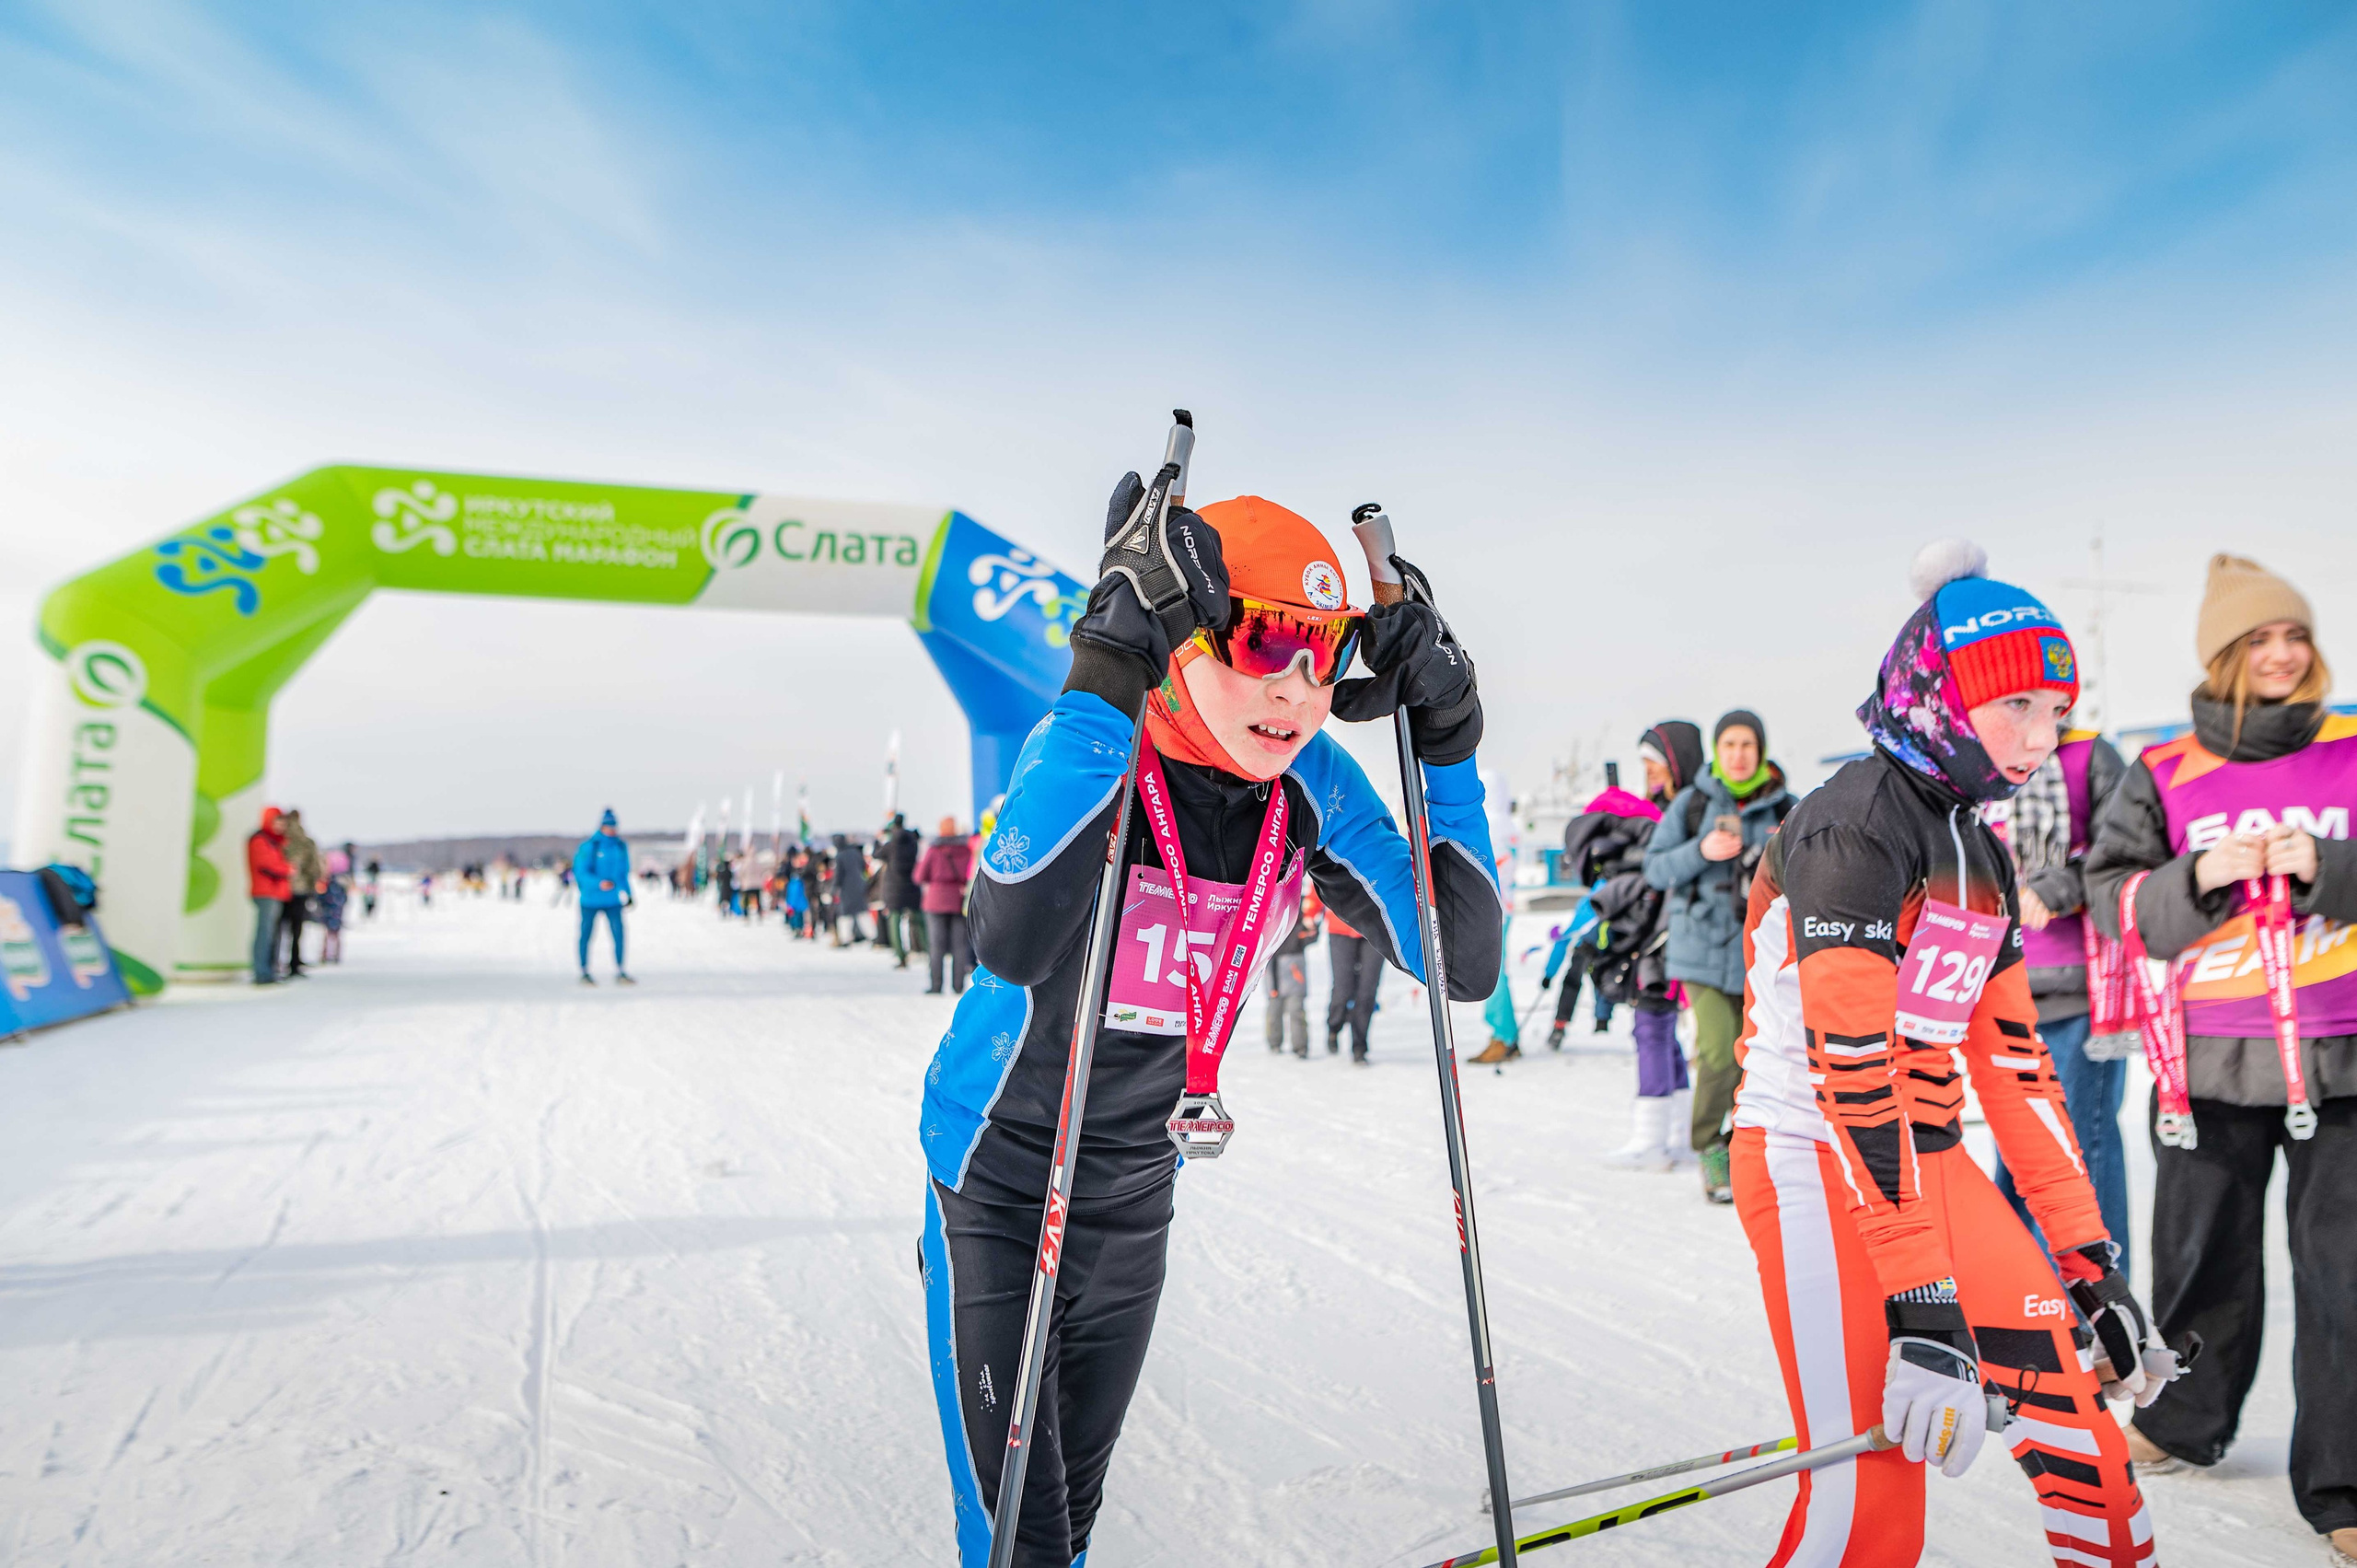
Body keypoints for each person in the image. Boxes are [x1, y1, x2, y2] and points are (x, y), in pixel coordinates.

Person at [918, 483, 1496, 1566]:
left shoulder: (1309, 783)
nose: (1294, 685)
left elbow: (1459, 958)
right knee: (1020, 1543)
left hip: (1137, 1194)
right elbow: (1010, 935)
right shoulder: (1098, 738)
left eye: (1326, 651)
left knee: (1070, 1524)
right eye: (1268, 635)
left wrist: (1451, 741)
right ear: (1186, 632)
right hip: (999, 1187)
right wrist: (1104, 668)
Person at [1734, 541, 2177, 1567]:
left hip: (1925, 1162)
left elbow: (2016, 1067)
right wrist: (1921, 1300)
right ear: (1937, 695)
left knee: (2089, 1457)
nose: (2041, 736)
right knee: (1872, 1511)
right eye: (2015, 705)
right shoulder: (1850, 827)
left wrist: (2091, 1263)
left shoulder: (1977, 846)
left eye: (2056, 711)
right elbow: (1850, 1071)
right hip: (1812, 1157)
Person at [2084, 553, 2357, 1557]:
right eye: (2259, 639)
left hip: (2341, 1055)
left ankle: (2343, 1487)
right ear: (2221, 657)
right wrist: (2196, 870)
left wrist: (2327, 867)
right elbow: (2111, 897)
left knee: (2344, 1276)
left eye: (2294, 635)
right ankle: (2179, 1420)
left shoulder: (2352, 749)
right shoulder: (2163, 773)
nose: (2283, 654)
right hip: (2203, 1061)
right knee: (2201, 1257)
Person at [1984, 722, 2133, 1273]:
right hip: (1996, 989)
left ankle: (2096, 1310)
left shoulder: (2088, 754)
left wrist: (2053, 888)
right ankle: (2022, 1306)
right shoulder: (1974, 758)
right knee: (2019, 1157)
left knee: (2081, 1153)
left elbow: (2123, 854)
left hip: (2079, 991)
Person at [1645, 710, 1792, 1202]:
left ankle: (1743, 1143)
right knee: (1718, 1051)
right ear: (1716, 750)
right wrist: (1701, 851)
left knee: (1760, 1058)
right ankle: (1709, 1143)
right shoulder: (1694, 802)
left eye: (1748, 744)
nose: (1738, 753)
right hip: (1702, 951)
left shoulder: (1785, 807)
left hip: (1764, 956)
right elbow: (1654, 868)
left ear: (1762, 749)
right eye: (1729, 744)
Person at [1560, 723, 1701, 1167]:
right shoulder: (1658, 810)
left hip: (1670, 936)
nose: (1649, 773)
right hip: (1656, 933)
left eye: (1654, 765)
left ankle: (1651, 1142)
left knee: (1652, 1028)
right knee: (1663, 1033)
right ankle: (1676, 1132)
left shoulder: (1690, 809)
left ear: (1677, 762)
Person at [914, 816, 976, 993]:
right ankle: (958, 986)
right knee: (959, 945)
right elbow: (970, 874)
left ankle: (936, 985)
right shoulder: (966, 850)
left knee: (936, 945)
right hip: (958, 900)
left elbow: (919, 876)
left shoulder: (934, 850)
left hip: (935, 901)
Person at [574, 808, 634, 985]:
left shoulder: (620, 847)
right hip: (590, 900)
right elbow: (581, 872)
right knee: (586, 934)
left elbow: (623, 873)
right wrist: (598, 883)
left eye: (614, 826)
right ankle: (584, 970)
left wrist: (629, 893)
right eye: (609, 826)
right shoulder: (590, 847)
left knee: (619, 934)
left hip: (612, 900)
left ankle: (620, 969)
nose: (613, 830)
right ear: (602, 827)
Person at [1322, 905, 1385, 1063]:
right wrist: (1310, 912)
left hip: (1376, 928)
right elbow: (1322, 883)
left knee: (1367, 992)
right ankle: (1334, 1026)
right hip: (1341, 926)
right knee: (1343, 990)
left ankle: (1359, 1047)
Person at [1265, 899, 1320, 1057]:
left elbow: (1311, 934)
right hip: (1273, 965)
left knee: (1296, 1009)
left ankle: (1300, 1046)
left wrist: (1314, 925)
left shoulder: (1300, 905)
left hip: (1295, 967)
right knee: (1274, 1008)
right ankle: (1274, 1043)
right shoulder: (1270, 901)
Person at [247, 806, 291, 984]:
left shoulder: (276, 842)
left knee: (273, 933)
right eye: (277, 822)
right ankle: (261, 972)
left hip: (276, 892)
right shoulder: (260, 840)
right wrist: (287, 869)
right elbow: (266, 865)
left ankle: (270, 970)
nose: (280, 826)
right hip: (265, 892)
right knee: (264, 933)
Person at [278, 807, 324, 977]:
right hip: (300, 889)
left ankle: (275, 962)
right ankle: (294, 962)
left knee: (278, 930)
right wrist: (312, 884)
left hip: (280, 890)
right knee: (295, 930)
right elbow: (313, 867)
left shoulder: (280, 839)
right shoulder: (304, 841)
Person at [880, 814, 926, 968]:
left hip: (894, 888)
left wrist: (879, 839)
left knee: (895, 922)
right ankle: (927, 950)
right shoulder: (912, 842)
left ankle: (901, 955)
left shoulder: (891, 844)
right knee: (919, 920)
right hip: (912, 886)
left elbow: (876, 854)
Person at [830, 833, 869, 945]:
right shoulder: (855, 852)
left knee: (846, 914)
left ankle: (846, 938)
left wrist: (834, 889)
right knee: (862, 912)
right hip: (859, 885)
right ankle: (871, 935)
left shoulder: (840, 856)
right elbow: (863, 867)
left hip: (846, 888)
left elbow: (838, 875)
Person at [318, 874, 348, 963]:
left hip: (329, 912)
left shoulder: (326, 888)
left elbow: (320, 899)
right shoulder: (340, 888)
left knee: (328, 934)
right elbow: (344, 899)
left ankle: (326, 954)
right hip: (336, 913)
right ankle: (335, 955)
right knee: (334, 934)